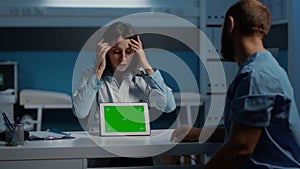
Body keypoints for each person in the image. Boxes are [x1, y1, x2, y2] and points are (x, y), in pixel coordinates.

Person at [171, 0, 300, 169]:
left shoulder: (256, 75)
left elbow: (240, 147)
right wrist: (196, 133)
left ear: (231, 25)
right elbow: (242, 129)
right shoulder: (265, 67)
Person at [72, 21, 176, 167]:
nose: (123, 58)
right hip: (103, 153)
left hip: (139, 152)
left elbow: (169, 106)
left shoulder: (142, 76)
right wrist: (98, 70)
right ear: (106, 51)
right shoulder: (91, 74)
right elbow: (80, 111)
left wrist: (146, 65)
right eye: (116, 51)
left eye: (129, 52)